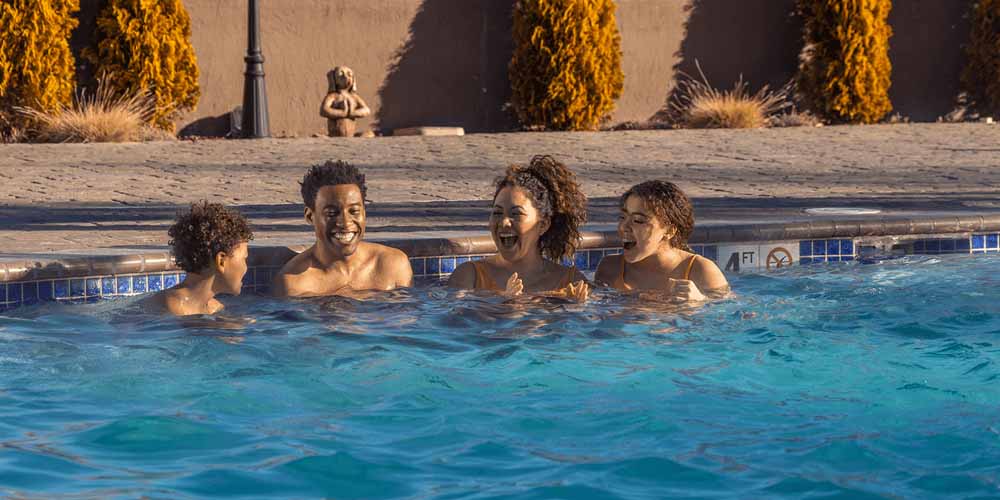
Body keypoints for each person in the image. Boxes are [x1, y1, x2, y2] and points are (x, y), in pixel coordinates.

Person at [448, 155, 589, 301]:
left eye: (516, 214)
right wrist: (504, 303)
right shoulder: (469, 277)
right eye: (497, 213)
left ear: (543, 225)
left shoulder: (572, 282)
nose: (504, 223)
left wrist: (574, 308)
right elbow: (454, 314)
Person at [272, 160, 412, 297]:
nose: (345, 223)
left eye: (354, 211)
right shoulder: (296, 283)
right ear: (310, 216)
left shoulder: (393, 265)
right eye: (332, 213)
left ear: (364, 213)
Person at [595, 180, 728, 300]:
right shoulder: (610, 268)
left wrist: (701, 300)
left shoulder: (700, 270)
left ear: (669, 231)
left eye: (638, 220)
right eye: (622, 217)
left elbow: (726, 309)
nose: (623, 227)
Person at [148, 202, 254, 316]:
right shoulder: (173, 306)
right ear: (221, 261)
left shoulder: (215, 308)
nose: (246, 267)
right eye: (244, 258)